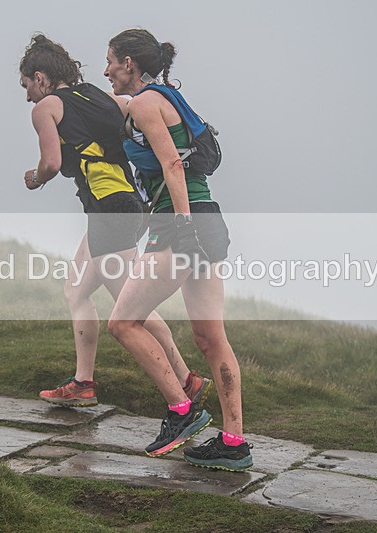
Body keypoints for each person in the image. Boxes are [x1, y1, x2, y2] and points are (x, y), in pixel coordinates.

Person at [18, 34, 212, 409]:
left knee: (130, 305)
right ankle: (83, 382)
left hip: (110, 208)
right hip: (128, 205)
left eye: (26, 85)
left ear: (39, 77)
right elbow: (130, 107)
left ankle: (185, 381)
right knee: (76, 290)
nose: (27, 95)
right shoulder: (98, 94)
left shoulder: (45, 108)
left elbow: (53, 163)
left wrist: (35, 177)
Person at [105, 29, 253, 471]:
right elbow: (102, 103)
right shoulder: (162, 97)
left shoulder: (147, 103)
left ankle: (181, 410)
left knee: (122, 322)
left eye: (110, 60)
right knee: (211, 339)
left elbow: (171, 162)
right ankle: (233, 442)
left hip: (180, 221)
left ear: (129, 63)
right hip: (208, 217)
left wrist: (181, 226)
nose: (106, 69)